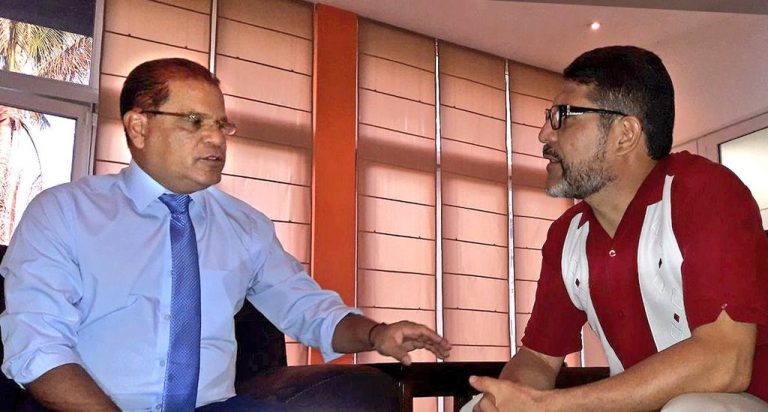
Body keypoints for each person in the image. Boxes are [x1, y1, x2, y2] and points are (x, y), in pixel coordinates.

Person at [0, 58, 451, 411]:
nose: (217, 139)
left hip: (213, 409)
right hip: (90, 407)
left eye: (221, 124)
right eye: (194, 121)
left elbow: (307, 309)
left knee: (358, 396)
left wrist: (377, 334)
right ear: (139, 127)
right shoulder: (64, 213)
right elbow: (37, 346)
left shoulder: (245, 225)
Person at [468, 46, 768, 411]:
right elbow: (538, 359)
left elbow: (726, 362)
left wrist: (552, 406)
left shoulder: (704, 193)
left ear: (625, 134)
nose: (544, 134)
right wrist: (512, 398)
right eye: (549, 117)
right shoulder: (566, 236)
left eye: (563, 116)